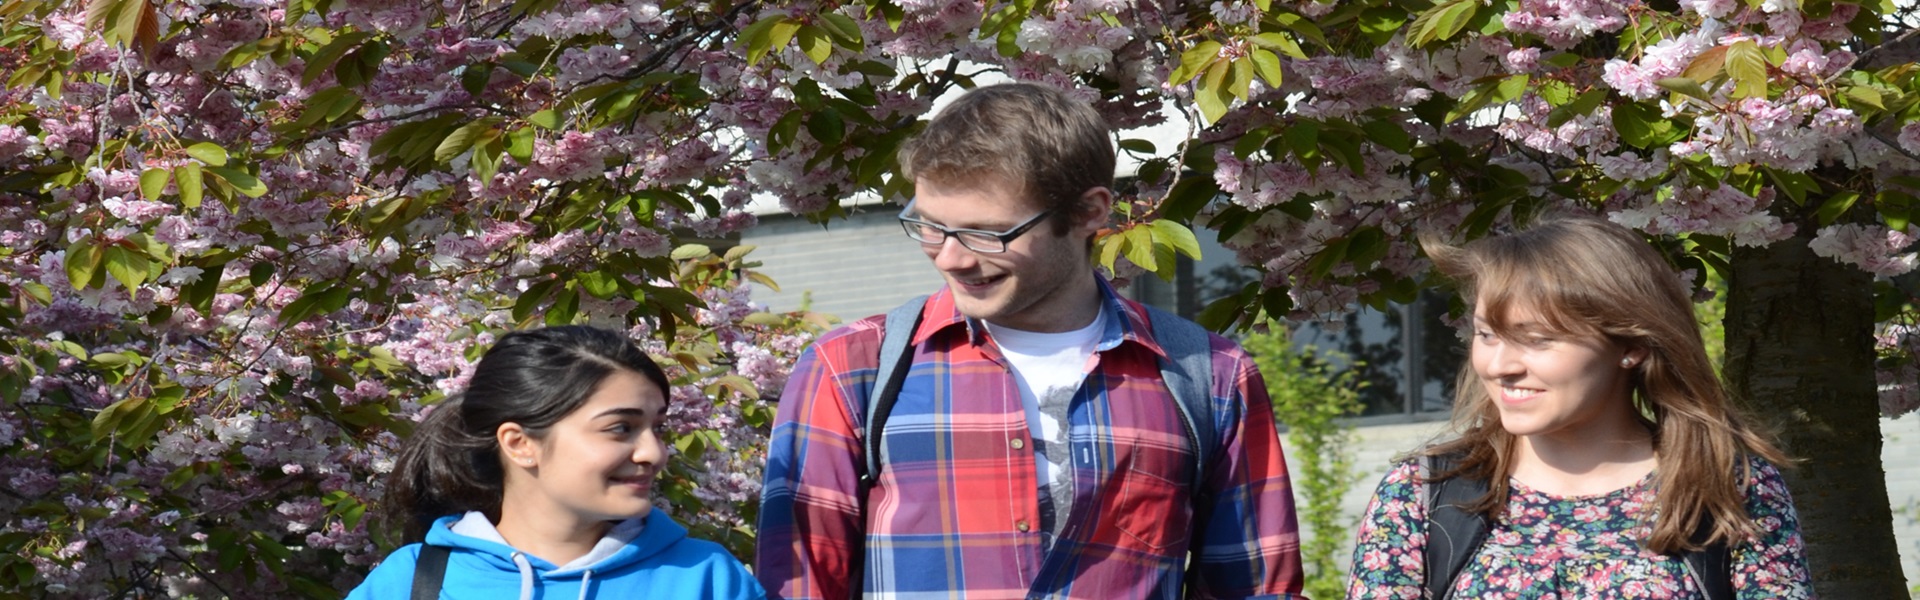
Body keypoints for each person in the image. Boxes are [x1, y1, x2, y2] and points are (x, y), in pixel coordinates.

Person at [755, 82, 1306, 599]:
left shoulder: (1208, 376)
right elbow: (800, 584)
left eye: (987, 233)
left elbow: (1255, 588)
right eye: (929, 225)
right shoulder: (853, 368)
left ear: (1090, 212)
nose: (952, 257)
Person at [1345, 215, 1814, 599]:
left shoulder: (1726, 487)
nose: (1500, 365)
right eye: (1487, 335)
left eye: (1536, 340)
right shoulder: (1422, 493)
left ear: (1630, 345)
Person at [347, 326, 765, 599]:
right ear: (520, 443)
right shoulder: (410, 582)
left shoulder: (706, 578)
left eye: (657, 428)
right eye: (620, 428)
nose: (653, 454)